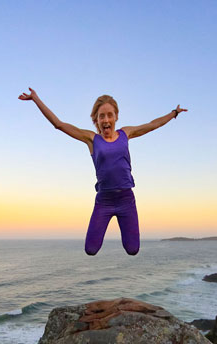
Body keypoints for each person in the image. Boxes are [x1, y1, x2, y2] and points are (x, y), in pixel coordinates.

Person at [18, 88, 187, 255]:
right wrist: (35, 99)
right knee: (90, 250)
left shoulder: (125, 133)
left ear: (116, 117)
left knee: (132, 249)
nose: (106, 119)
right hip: (104, 201)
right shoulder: (91, 139)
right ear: (96, 120)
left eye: (110, 115)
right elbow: (59, 124)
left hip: (126, 199)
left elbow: (151, 125)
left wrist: (174, 113)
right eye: (101, 116)